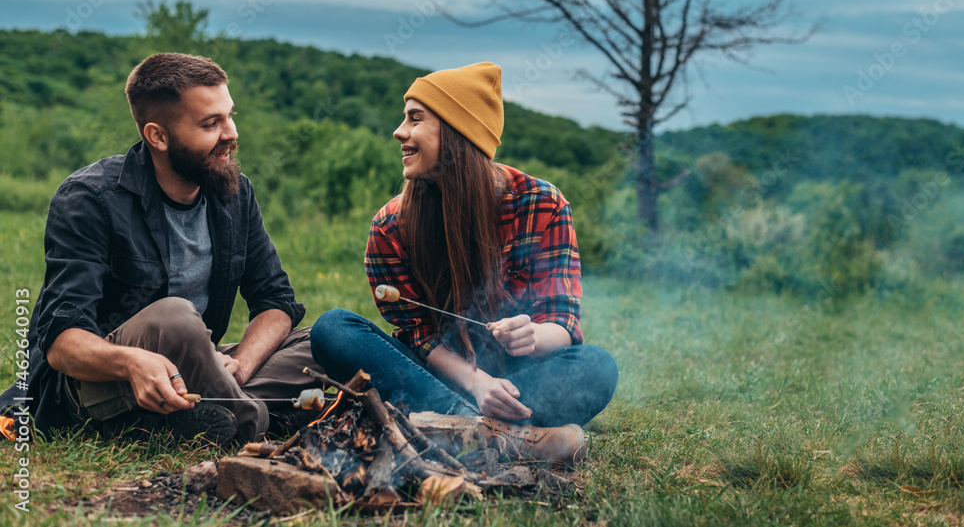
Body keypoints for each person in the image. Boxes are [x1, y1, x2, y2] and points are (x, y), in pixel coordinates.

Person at [311, 62, 618, 464]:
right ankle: (489, 433)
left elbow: (563, 322)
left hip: (515, 384)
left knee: (597, 366)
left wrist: (534, 336)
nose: (398, 131)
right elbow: (418, 335)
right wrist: (474, 383)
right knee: (333, 328)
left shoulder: (543, 205)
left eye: (415, 119)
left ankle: (439, 427)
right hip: (436, 379)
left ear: (458, 132)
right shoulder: (390, 226)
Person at [18, 52, 323, 445]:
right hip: (99, 382)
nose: (230, 133)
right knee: (175, 318)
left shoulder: (233, 192)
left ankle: (205, 412)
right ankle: (255, 425)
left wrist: (242, 366)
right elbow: (61, 342)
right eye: (211, 123)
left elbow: (276, 301)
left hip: (195, 366)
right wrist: (131, 361)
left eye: (230, 116)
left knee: (327, 340)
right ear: (157, 136)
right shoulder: (89, 198)